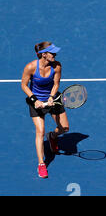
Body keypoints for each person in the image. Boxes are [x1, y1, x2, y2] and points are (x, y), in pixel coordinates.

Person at [21, 41, 69, 178]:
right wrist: (35, 100)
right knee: (40, 131)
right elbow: (24, 86)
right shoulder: (30, 67)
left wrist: (51, 97)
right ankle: (41, 164)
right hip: (35, 100)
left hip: (52, 99)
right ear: (43, 54)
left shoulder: (57, 66)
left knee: (64, 129)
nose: (55, 54)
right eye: (52, 52)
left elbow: (56, 84)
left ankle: (52, 136)